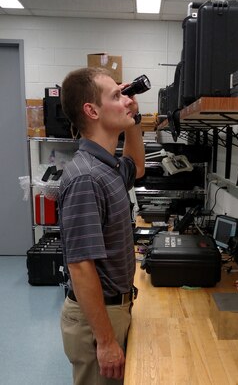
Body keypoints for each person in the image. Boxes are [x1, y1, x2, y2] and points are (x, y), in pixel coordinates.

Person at [58, 67, 145, 385]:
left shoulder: (106, 166)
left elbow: (136, 168)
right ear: (92, 110)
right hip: (98, 319)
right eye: (116, 96)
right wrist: (106, 341)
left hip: (113, 310)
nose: (126, 101)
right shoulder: (86, 177)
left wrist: (134, 119)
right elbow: (80, 267)